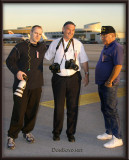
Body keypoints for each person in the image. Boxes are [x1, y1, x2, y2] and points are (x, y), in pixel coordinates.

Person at [45, 21, 89, 142]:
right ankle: (56, 132)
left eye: (73, 30)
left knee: (73, 106)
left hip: (74, 78)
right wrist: (55, 65)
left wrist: (87, 74)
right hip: (59, 78)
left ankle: (70, 133)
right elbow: (47, 57)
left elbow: (84, 60)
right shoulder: (55, 43)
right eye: (69, 29)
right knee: (58, 107)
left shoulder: (78, 44)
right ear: (63, 29)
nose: (71, 32)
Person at [6, 25, 47, 150]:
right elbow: (9, 61)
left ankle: (27, 131)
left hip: (36, 85)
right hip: (21, 86)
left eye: (40, 34)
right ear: (30, 33)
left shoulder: (43, 47)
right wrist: (17, 71)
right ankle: (12, 136)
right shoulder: (20, 47)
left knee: (32, 111)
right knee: (19, 111)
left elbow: (56, 50)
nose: (37, 36)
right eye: (35, 33)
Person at [95, 26, 124, 148]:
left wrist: (110, 80)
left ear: (113, 35)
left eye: (105, 35)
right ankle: (109, 132)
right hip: (102, 83)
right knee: (105, 108)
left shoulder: (117, 47)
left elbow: (118, 66)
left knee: (111, 110)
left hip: (109, 84)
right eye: (101, 35)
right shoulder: (106, 46)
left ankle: (117, 138)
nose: (102, 37)